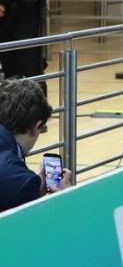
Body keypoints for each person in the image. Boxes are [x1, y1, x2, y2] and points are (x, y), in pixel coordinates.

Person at [0, 78, 70, 213]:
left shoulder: (23, 181)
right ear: (37, 126)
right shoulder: (23, 183)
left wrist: (34, 186)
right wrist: (65, 198)